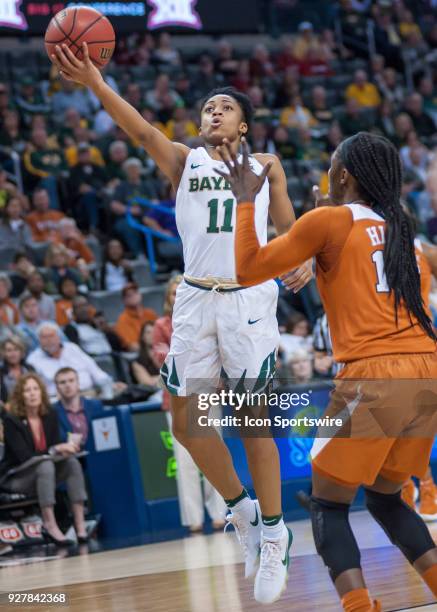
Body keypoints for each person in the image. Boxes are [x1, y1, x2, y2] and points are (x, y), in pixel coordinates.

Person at [52, 44, 312, 605]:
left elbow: (292, 234)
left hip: (247, 299)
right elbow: (139, 129)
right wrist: (96, 83)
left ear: (245, 122)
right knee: (189, 425)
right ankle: (242, 510)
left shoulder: (268, 166)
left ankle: (273, 531)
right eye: (207, 108)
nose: (213, 113)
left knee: (252, 424)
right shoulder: (184, 160)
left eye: (224, 107)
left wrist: (305, 260)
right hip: (195, 298)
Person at [226, 133, 437, 611]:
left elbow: (247, 268)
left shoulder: (329, 221)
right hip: (427, 374)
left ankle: (359, 607)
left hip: (375, 377)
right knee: (386, 498)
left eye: (331, 166)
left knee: (327, 505)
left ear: (343, 175)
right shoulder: (403, 228)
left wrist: (244, 202)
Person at [152, 275, 226, 532]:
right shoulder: (161, 325)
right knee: (185, 462)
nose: (177, 297)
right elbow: (164, 358)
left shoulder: (207, 318)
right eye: (172, 294)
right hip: (176, 397)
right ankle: (193, 519)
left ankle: (220, 512)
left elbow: (217, 354)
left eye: (180, 292)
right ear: (167, 299)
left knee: (215, 453)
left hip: (207, 392)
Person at [0, 373, 88, 544]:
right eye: (27, 390)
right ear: (20, 396)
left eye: (35, 389)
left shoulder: (50, 415)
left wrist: (65, 450)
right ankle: (50, 524)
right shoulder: (11, 421)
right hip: (16, 477)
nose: (32, 393)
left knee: (72, 463)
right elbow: (24, 456)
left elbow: (53, 448)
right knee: (45, 465)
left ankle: (80, 524)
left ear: (41, 393)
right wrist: (55, 449)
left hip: (44, 474)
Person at [27, 322, 113, 398]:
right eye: (44, 337)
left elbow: (95, 371)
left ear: (59, 337)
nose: (49, 340)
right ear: (38, 340)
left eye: (51, 336)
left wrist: (109, 384)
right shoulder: (33, 359)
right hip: (56, 399)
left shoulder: (73, 348)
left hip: (88, 393)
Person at [53, 367, 103, 452]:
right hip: (71, 456)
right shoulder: (52, 412)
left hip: (98, 452)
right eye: (62, 382)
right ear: (57, 388)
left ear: (78, 384)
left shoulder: (95, 405)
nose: (67, 385)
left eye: (71, 380)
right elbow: (58, 439)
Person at [115, 283, 157, 352]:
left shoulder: (150, 313)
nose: (133, 296)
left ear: (140, 295)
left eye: (135, 292)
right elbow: (133, 346)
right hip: (142, 356)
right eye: (129, 295)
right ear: (124, 300)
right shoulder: (123, 320)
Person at [0, 336, 33, 404]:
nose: (13, 354)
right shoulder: (1, 372)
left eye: (16, 349)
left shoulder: (30, 369)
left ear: (21, 352)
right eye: (9, 350)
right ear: (4, 353)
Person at [131, 321, 160, 387]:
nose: (152, 335)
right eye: (148, 332)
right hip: (153, 394)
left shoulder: (168, 357)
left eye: (155, 332)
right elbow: (148, 383)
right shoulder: (137, 362)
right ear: (143, 337)